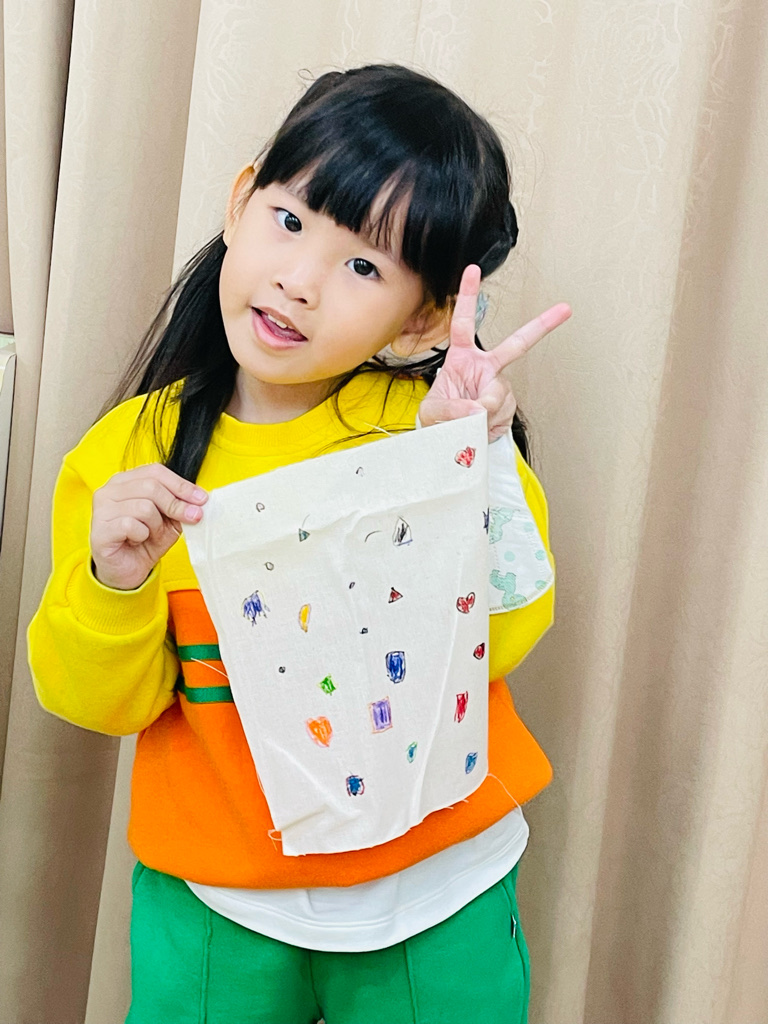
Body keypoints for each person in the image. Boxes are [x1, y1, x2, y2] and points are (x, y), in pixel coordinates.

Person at [28, 64, 570, 1024]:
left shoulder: (427, 426)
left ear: (423, 316)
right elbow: (97, 704)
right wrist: (115, 581)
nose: (299, 280)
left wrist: (467, 459)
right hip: (217, 900)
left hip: (436, 890)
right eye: (288, 221)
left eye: (364, 267)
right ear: (240, 201)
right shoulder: (129, 454)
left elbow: (511, 633)